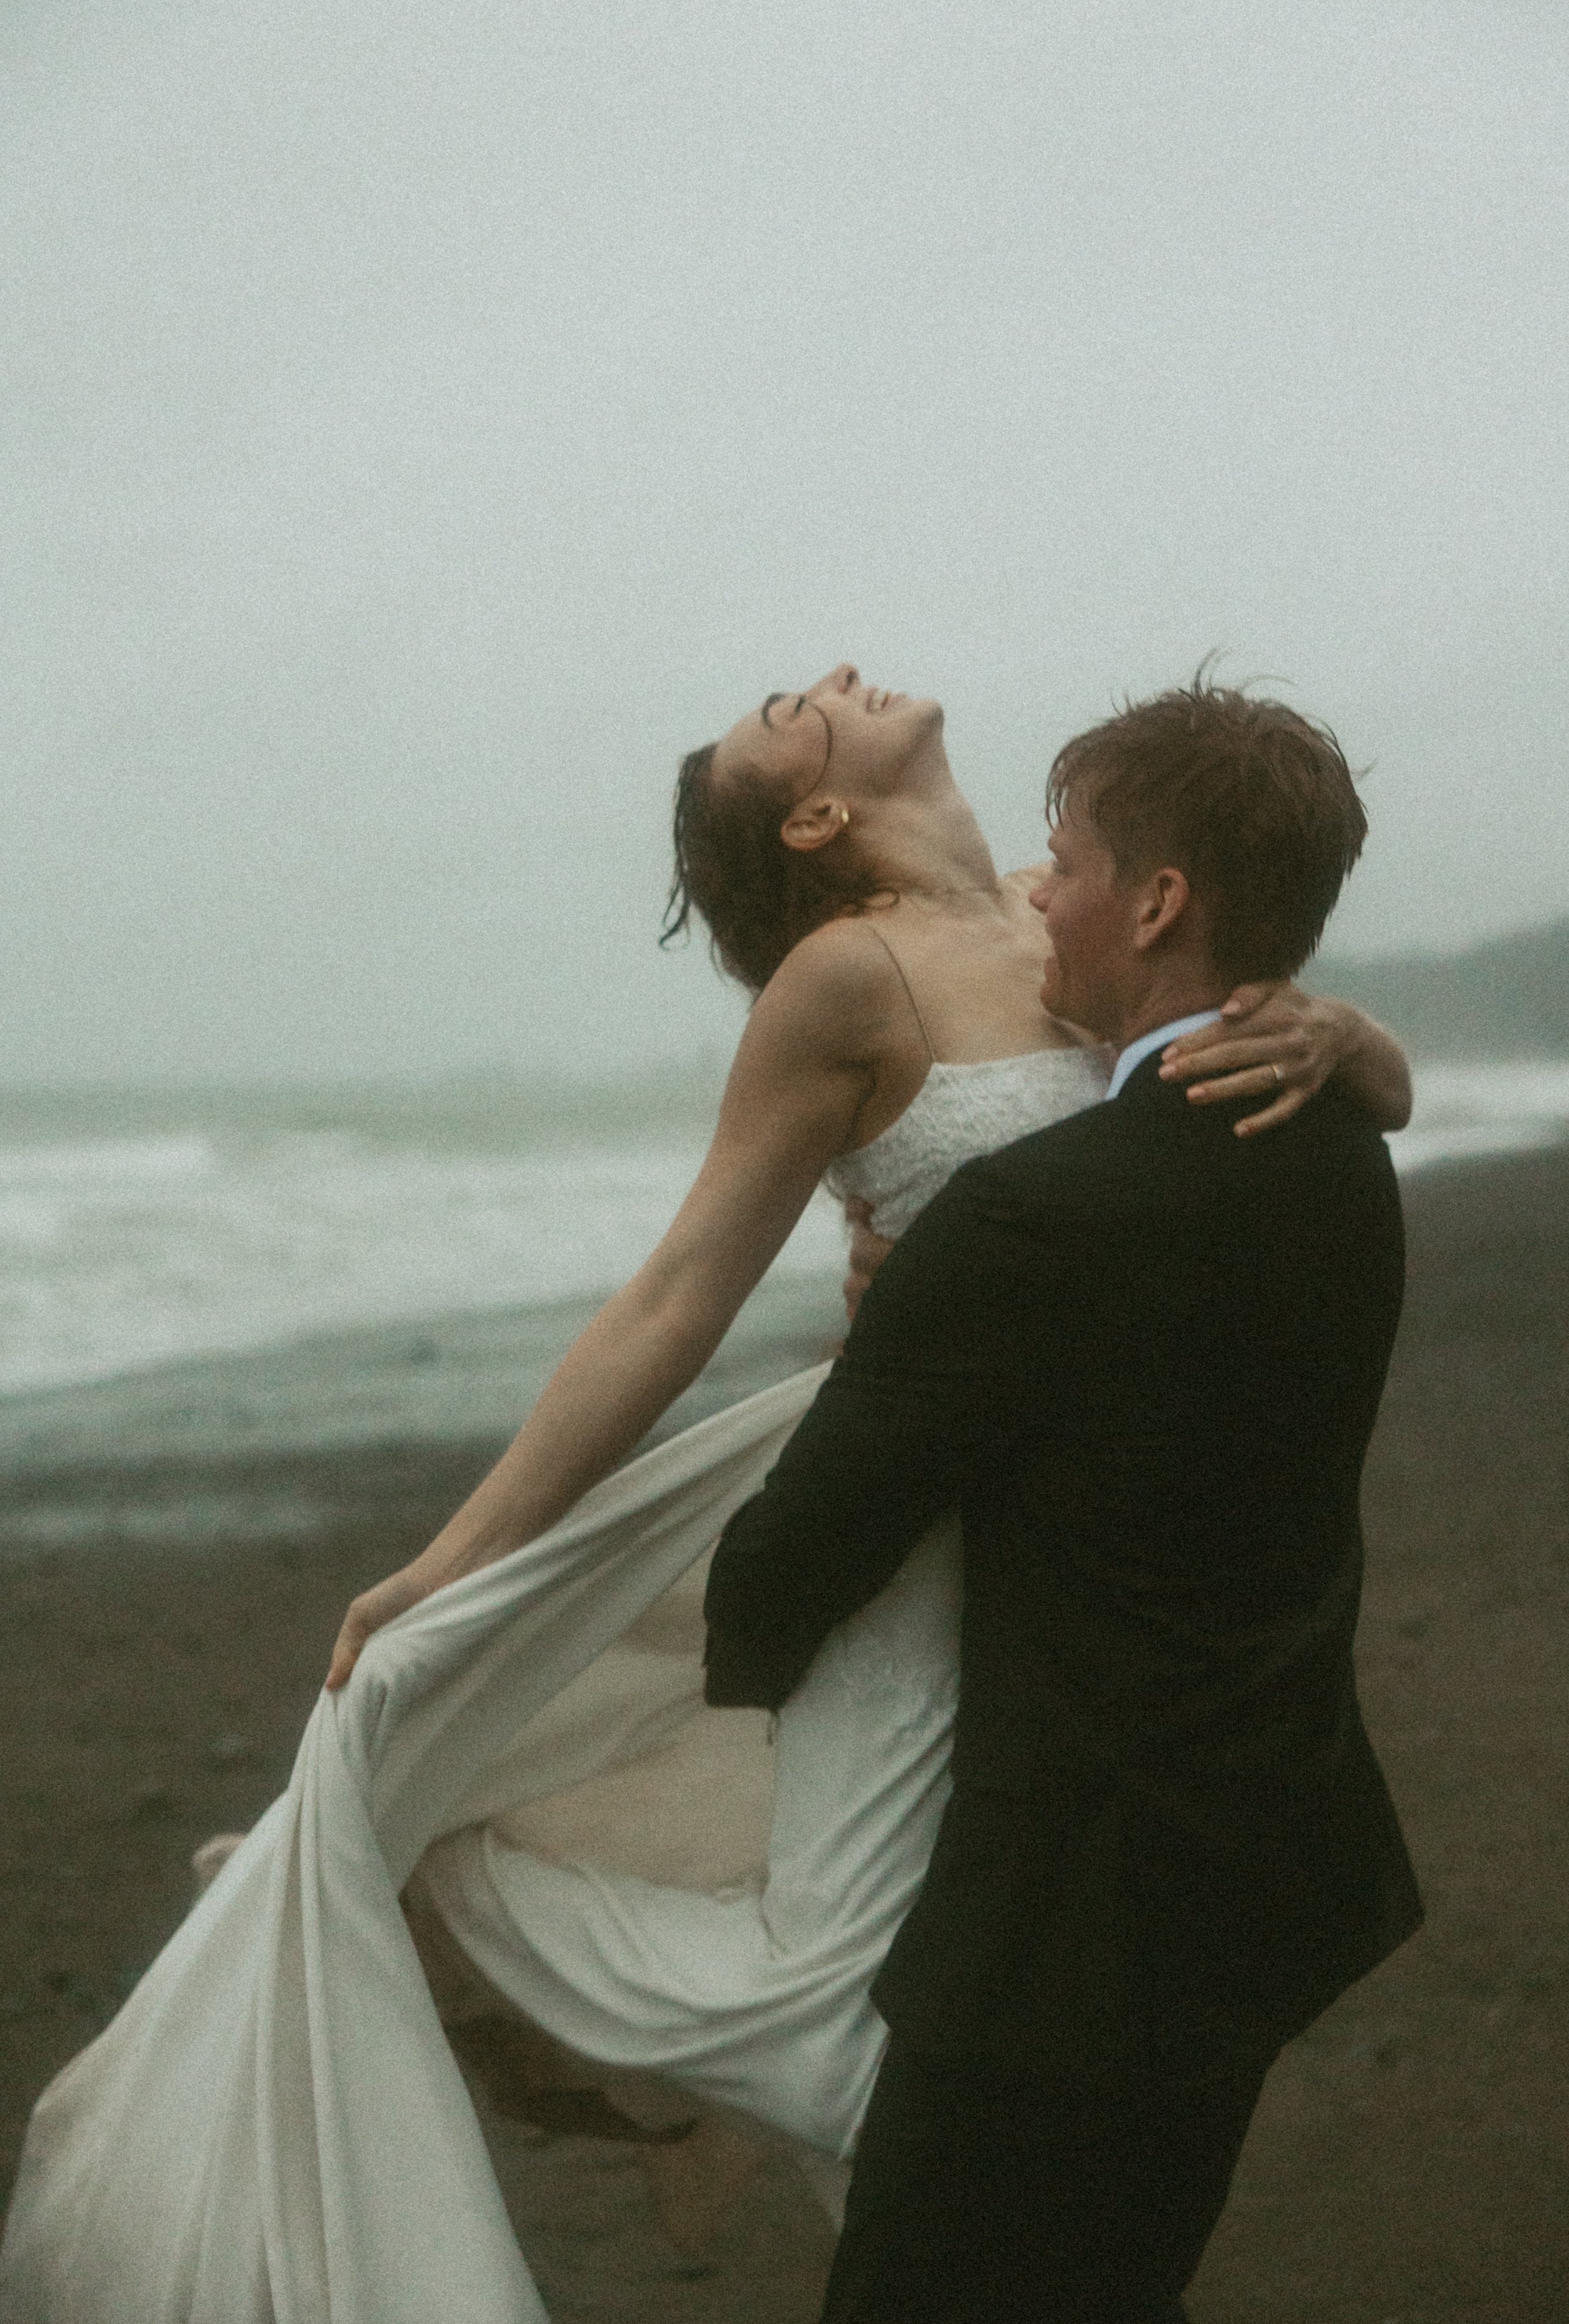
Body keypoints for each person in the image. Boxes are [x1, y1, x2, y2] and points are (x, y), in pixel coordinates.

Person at [0, 668, 1411, 2324]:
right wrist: (453, 1558)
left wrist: (1346, 1033)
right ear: (814, 818)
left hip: (1083, 1515)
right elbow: (675, 1296)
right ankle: (587, 2009)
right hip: (916, 1494)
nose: (819, 683)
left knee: (998, 1963)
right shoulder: (848, 974)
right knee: (884, 1957)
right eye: (784, 713)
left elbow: (1238, 1060)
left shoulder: (1075, 902)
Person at [702, 675, 1423, 2322]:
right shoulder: (1344, 1140)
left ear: (1157, 901)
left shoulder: (1036, 1217)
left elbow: (783, 1566)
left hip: (1066, 1939)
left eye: (1067, 857)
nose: (1038, 889)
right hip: (1265, 1873)